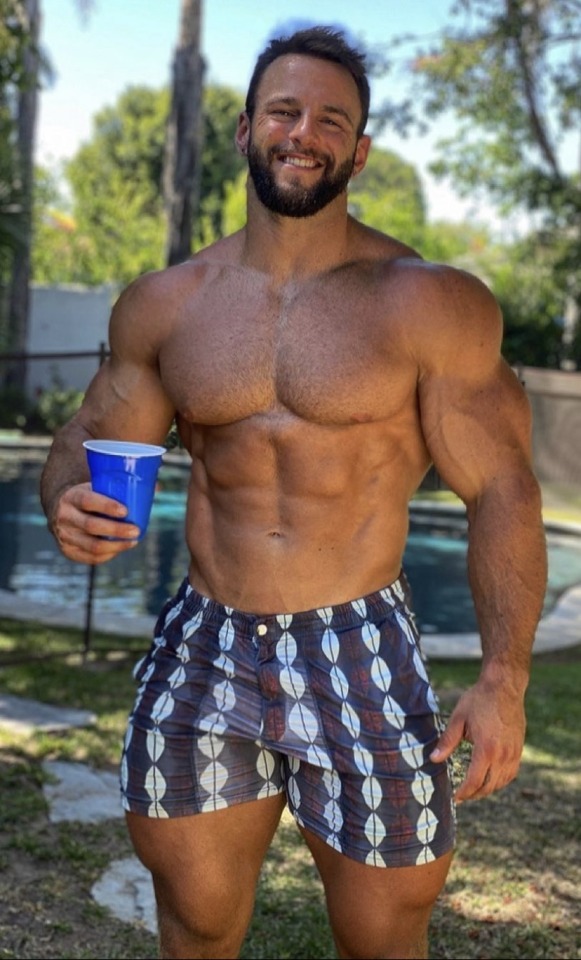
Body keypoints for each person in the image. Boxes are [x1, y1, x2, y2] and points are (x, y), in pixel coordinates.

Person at [40, 24, 548, 960]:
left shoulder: (427, 302)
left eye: (330, 120)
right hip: (205, 639)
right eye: (283, 111)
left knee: (381, 937)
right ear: (246, 130)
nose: (302, 133)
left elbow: (502, 491)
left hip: (360, 639)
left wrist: (502, 680)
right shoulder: (169, 302)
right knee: (195, 924)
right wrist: (67, 495)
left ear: (359, 150)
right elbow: (87, 437)